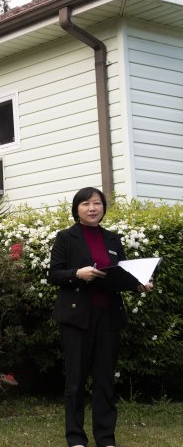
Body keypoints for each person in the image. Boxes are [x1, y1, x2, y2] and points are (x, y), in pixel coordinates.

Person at [48, 187, 152, 447]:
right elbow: (54, 275)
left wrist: (139, 284)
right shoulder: (66, 237)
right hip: (77, 318)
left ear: (103, 208)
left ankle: (106, 438)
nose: (92, 208)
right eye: (86, 204)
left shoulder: (112, 239)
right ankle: (76, 439)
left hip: (108, 317)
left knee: (105, 380)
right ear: (77, 209)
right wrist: (77, 274)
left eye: (97, 203)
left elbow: (122, 275)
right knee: (76, 381)